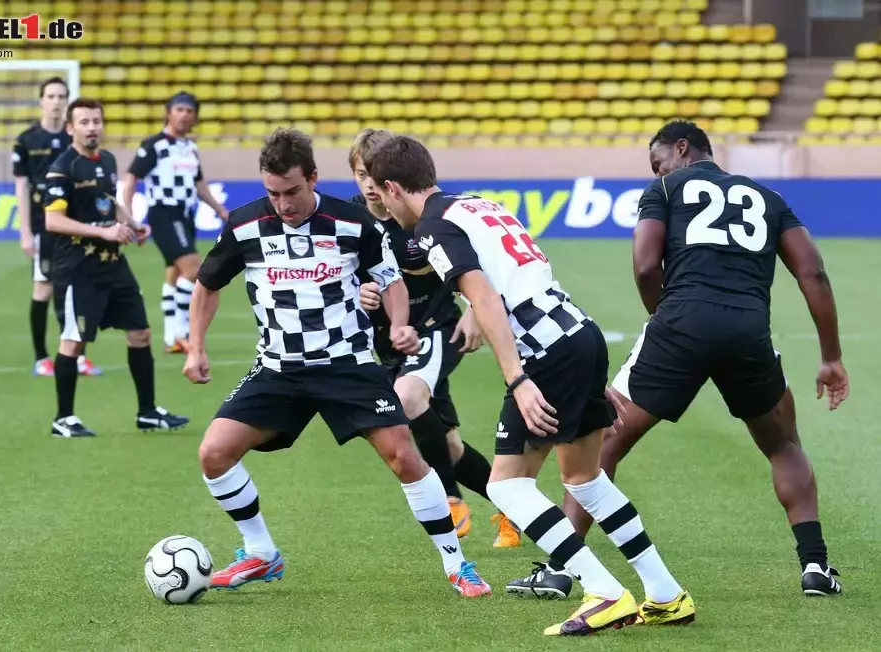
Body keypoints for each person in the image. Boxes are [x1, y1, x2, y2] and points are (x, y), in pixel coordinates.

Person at [364, 135, 694, 635]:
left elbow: (487, 301)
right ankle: (667, 594)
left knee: (508, 485)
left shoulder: (434, 226)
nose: (383, 206)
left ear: (392, 187)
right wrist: (579, 368)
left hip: (545, 352)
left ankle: (604, 593)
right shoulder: (479, 204)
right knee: (585, 479)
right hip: (578, 332)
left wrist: (518, 378)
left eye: (381, 195)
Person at [535, 119, 846, 598]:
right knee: (784, 445)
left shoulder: (664, 187)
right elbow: (814, 272)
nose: (656, 168)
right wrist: (831, 357)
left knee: (601, 442)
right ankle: (816, 568)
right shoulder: (767, 198)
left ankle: (560, 571)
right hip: (748, 331)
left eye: (658, 159)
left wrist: (667, 320)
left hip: (679, 325)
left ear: (682, 149)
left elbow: (644, 264)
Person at [182, 127, 491, 598]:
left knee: (404, 457)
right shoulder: (245, 224)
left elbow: (391, 281)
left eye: (292, 191)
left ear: (313, 178)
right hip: (278, 368)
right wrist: (196, 346)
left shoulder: (353, 223)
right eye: (273, 193)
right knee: (213, 454)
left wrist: (401, 323)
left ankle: (457, 564)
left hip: (346, 363)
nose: (283, 204)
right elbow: (206, 283)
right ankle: (260, 552)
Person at [348, 128, 521, 548]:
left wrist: (474, 312)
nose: (368, 184)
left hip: (437, 328)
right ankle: (516, 509)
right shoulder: (350, 218)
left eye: (373, 174)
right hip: (390, 342)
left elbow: (479, 263)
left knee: (407, 399)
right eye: (358, 174)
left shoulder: (427, 215)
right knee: (448, 444)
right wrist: (359, 291)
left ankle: (450, 500)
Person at [43, 97, 190, 438]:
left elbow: (110, 202)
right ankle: (63, 418)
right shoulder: (62, 168)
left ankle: (148, 412)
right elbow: (53, 221)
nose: (92, 127)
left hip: (113, 264)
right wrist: (103, 231)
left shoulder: (106, 160)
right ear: (70, 128)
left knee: (140, 333)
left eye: (96, 120)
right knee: (74, 342)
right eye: (84, 122)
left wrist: (132, 224)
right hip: (78, 269)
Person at [121, 91, 229, 354]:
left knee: (175, 273)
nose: (184, 114)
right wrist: (129, 215)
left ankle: (172, 337)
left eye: (189, 111)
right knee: (194, 270)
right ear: (169, 112)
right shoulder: (153, 146)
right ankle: (182, 332)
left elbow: (198, 183)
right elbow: (131, 178)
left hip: (185, 213)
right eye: (179, 109)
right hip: (164, 214)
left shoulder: (190, 147)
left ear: (195, 117)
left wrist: (220, 209)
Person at [13, 76, 102, 377]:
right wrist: (25, 231)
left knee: (78, 287)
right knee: (44, 289)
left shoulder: (74, 138)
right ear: (41, 100)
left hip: (76, 225)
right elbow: (21, 187)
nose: (56, 101)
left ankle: (78, 357)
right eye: (51, 96)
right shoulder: (26, 140)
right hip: (44, 226)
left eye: (61, 96)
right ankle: (41, 358)